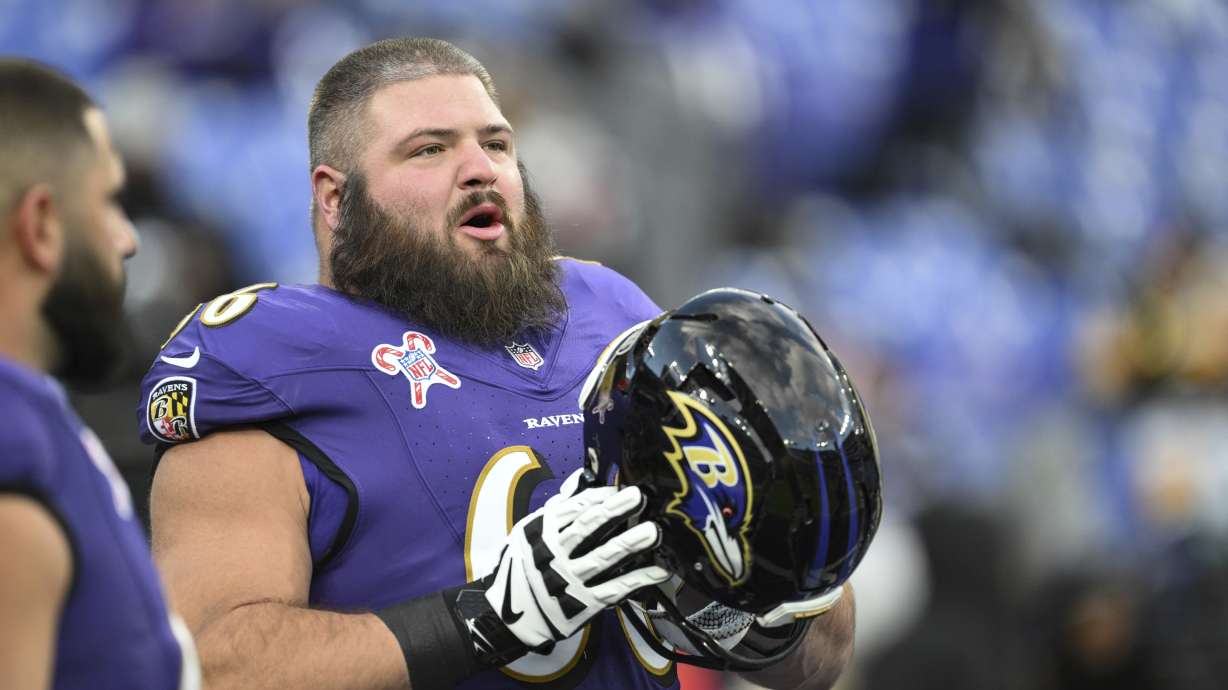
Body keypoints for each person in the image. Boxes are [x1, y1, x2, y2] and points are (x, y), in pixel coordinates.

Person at [140, 37, 854, 690]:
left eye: (497, 143)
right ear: (335, 198)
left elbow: (820, 660)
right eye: (429, 150)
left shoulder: (609, 313)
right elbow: (207, 668)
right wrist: (485, 620)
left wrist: (737, 612)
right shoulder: (271, 356)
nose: (480, 170)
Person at [0, 58, 200, 690]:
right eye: (110, 201)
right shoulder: (15, 469)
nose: (128, 239)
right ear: (40, 227)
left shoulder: (32, 422)